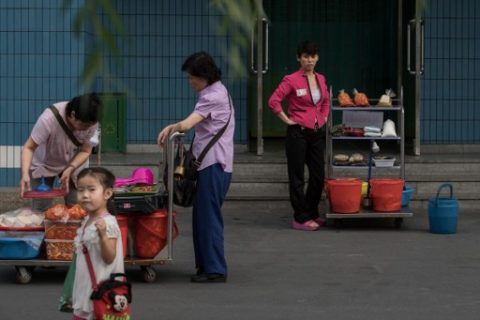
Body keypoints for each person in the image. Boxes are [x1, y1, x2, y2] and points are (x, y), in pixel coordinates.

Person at [157, 52, 234, 283]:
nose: (191, 82)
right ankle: (206, 265)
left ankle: (215, 269)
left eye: (193, 78)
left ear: (205, 76)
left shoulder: (213, 96)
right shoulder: (215, 91)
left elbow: (188, 124)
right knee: (202, 217)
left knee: (208, 218)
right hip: (212, 164)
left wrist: (169, 129)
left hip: (213, 164)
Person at [268, 40, 331, 231]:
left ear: (317, 58)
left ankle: (311, 212)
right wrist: (287, 120)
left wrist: (324, 117)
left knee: (318, 176)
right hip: (298, 134)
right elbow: (273, 101)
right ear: (299, 58)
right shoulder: (291, 80)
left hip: (317, 133)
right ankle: (300, 217)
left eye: (312, 56)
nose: (309, 60)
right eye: (305, 56)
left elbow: (326, 101)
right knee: (297, 176)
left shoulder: (321, 78)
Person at [19, 93, 102, 210]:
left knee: (77, 205)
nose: (88, 129)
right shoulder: (48, 119)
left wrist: (70, 168)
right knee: (41, 206)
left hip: (74, 164)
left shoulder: (91, 122)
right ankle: (44, 227)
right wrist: (25, 174)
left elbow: (85, 150)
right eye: (85, 125)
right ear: (73, 115)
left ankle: (72, 227)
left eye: (91, 125)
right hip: (44, 163)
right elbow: (29, 147)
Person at [72, 167, 124, 320]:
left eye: (91, 190)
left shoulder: (108, 223)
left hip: (102, 294)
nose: (85, 195)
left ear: (107, 193)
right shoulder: (86, 221)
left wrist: (103, 236)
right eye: (81, 190)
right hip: (86, 290)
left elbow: (110, 257)